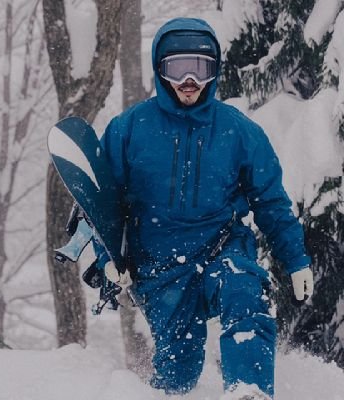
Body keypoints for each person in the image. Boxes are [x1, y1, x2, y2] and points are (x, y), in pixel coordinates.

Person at [95, 17, 313, 399]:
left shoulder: (239, 131)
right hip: (160, 268)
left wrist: (296, 260)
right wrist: (106, 257)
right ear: (161, 70)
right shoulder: (129, 129)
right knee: (180, 373)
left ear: (214, 70)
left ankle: (250, 391)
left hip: (221, 247)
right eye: (178, 69)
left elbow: (271, 203)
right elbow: (102, 206)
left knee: (244, 289)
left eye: (200, 68)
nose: (189, 81)